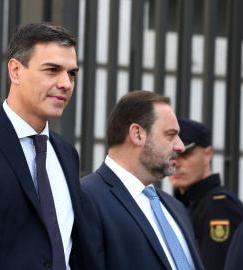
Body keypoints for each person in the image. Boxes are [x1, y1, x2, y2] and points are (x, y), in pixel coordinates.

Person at [0, 22, 101, 270]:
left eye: (72, 73)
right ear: (15, 71)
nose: (66, 83)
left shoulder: (67, 153)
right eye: (52, 70)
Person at [81, 90, 204, 269]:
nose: (180, 146)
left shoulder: (176, 208)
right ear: (137, 134)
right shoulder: (86, 197)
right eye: (171, 135)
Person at [168, 118, 243, 270]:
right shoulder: (187, 204)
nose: (177, 162)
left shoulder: (219, 208)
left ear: (208, 155)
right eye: (172, 154)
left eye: (185, 154)